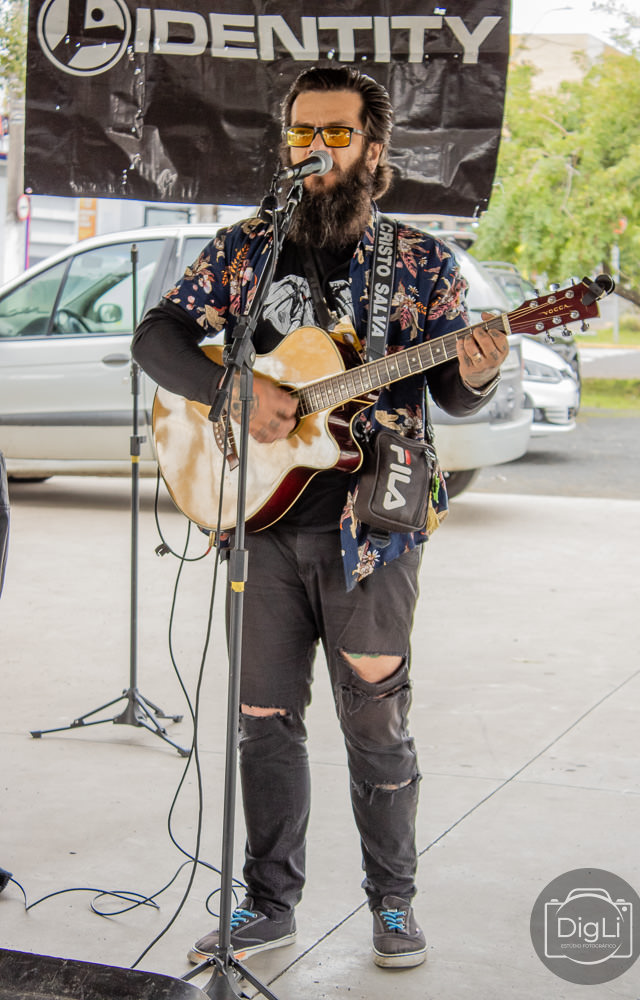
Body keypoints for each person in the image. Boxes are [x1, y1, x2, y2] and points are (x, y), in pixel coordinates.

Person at [132, 65, 508, 970]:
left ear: (374, 150)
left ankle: (392, 902)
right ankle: (268, 903)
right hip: (256, 517)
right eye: (303, 131)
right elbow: (157, 337)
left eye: (336, 133)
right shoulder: (247, 249)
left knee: (374, 718)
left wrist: (479, 371)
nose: (316, 148)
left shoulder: (418, 262)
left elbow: (452, 394)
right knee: (263, 717)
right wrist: (234, 389)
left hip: (372, 527)